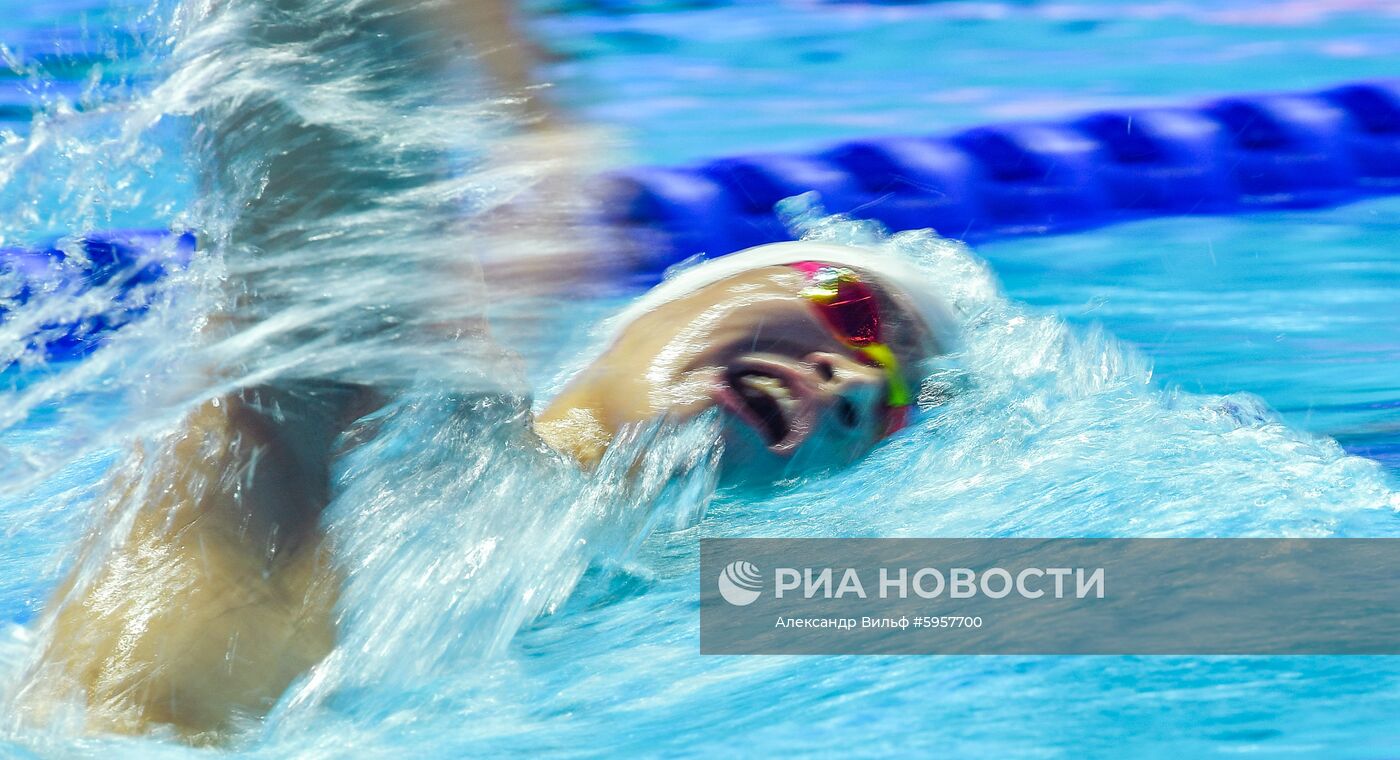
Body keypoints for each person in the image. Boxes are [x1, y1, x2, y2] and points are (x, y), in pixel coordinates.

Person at [9, 0, 958, 745]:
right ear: (658, 305)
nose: (859, 381)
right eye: (857, 313)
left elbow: (1091, 600)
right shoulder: (378, 391)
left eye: (895, 405)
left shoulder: (674, 595)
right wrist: (537, 105)